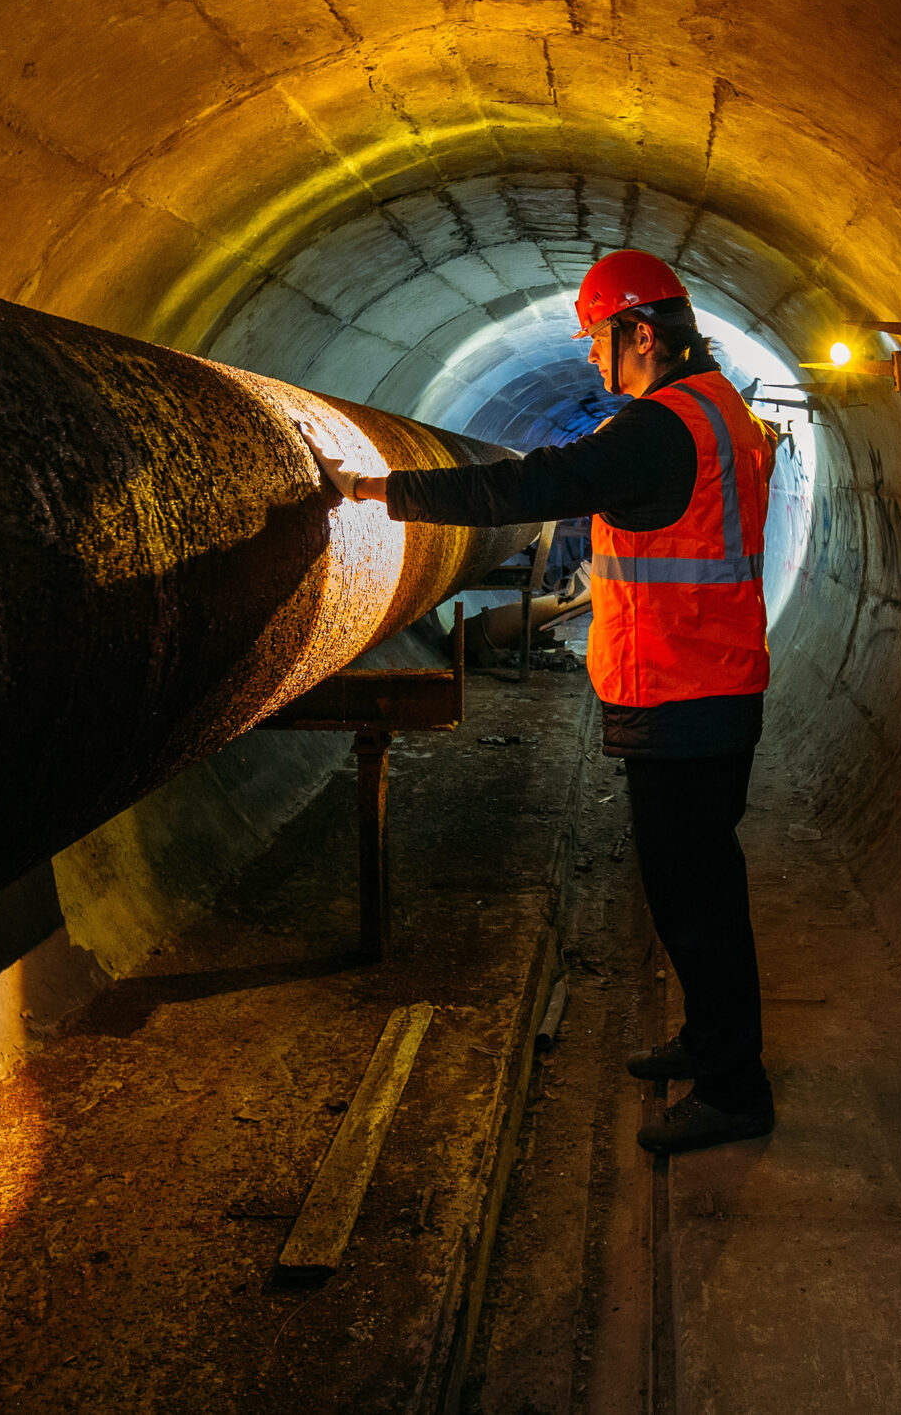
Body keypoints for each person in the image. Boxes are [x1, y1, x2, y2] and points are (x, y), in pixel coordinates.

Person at [314, 249, 778, 1155]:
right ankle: (712, 1043)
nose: (592, 363)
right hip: (711, 683)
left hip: (682, 695)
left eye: (599, 343)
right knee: (697, 889)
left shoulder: (658, 428)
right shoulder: (725, 412)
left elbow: (522, 486)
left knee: (697, 898)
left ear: (640, 333)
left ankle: (735, 1086)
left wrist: (378, 488)